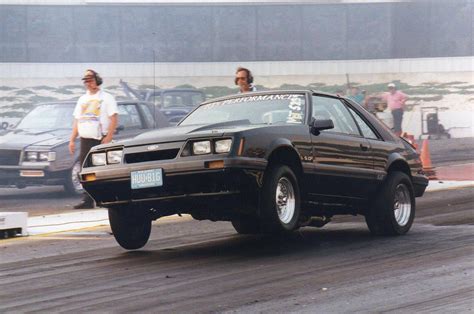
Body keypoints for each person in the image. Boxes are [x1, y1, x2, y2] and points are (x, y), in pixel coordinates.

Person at [69, 69, 118, 209]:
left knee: (103, 169)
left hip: (101, 138)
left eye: (90, 80)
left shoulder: (107, 97)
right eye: (86, 81)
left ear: (97, 81)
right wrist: (72, 139)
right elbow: (77, 121)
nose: (88, 84)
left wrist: (109, 136)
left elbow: (113, 118)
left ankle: (107, 198)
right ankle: (88, 200)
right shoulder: (82, 99)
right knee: (85, 169)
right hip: (85, 139)